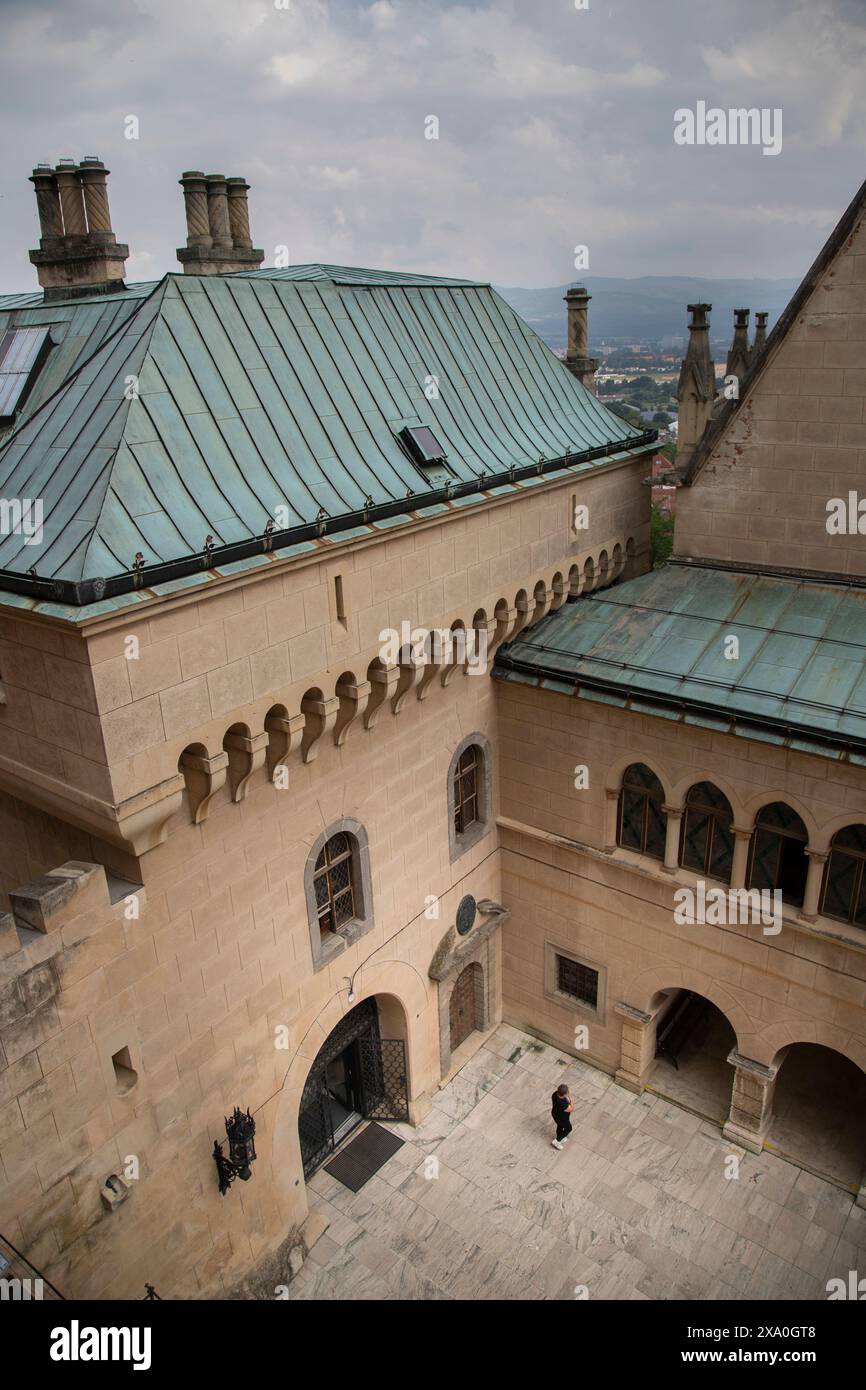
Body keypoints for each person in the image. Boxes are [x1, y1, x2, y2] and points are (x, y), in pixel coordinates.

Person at [551, 1082, 573, 1149]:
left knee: (560, 1126)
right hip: (562, 1118)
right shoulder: (562, 1103)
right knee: (569, 1128)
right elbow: (571, 1109)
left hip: (555, 1114)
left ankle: (559, 1138)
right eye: (567, 1092)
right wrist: (570, 1099)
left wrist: (566, 1097)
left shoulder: (555, 1094)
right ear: (564, 1094)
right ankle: (557, 1141)